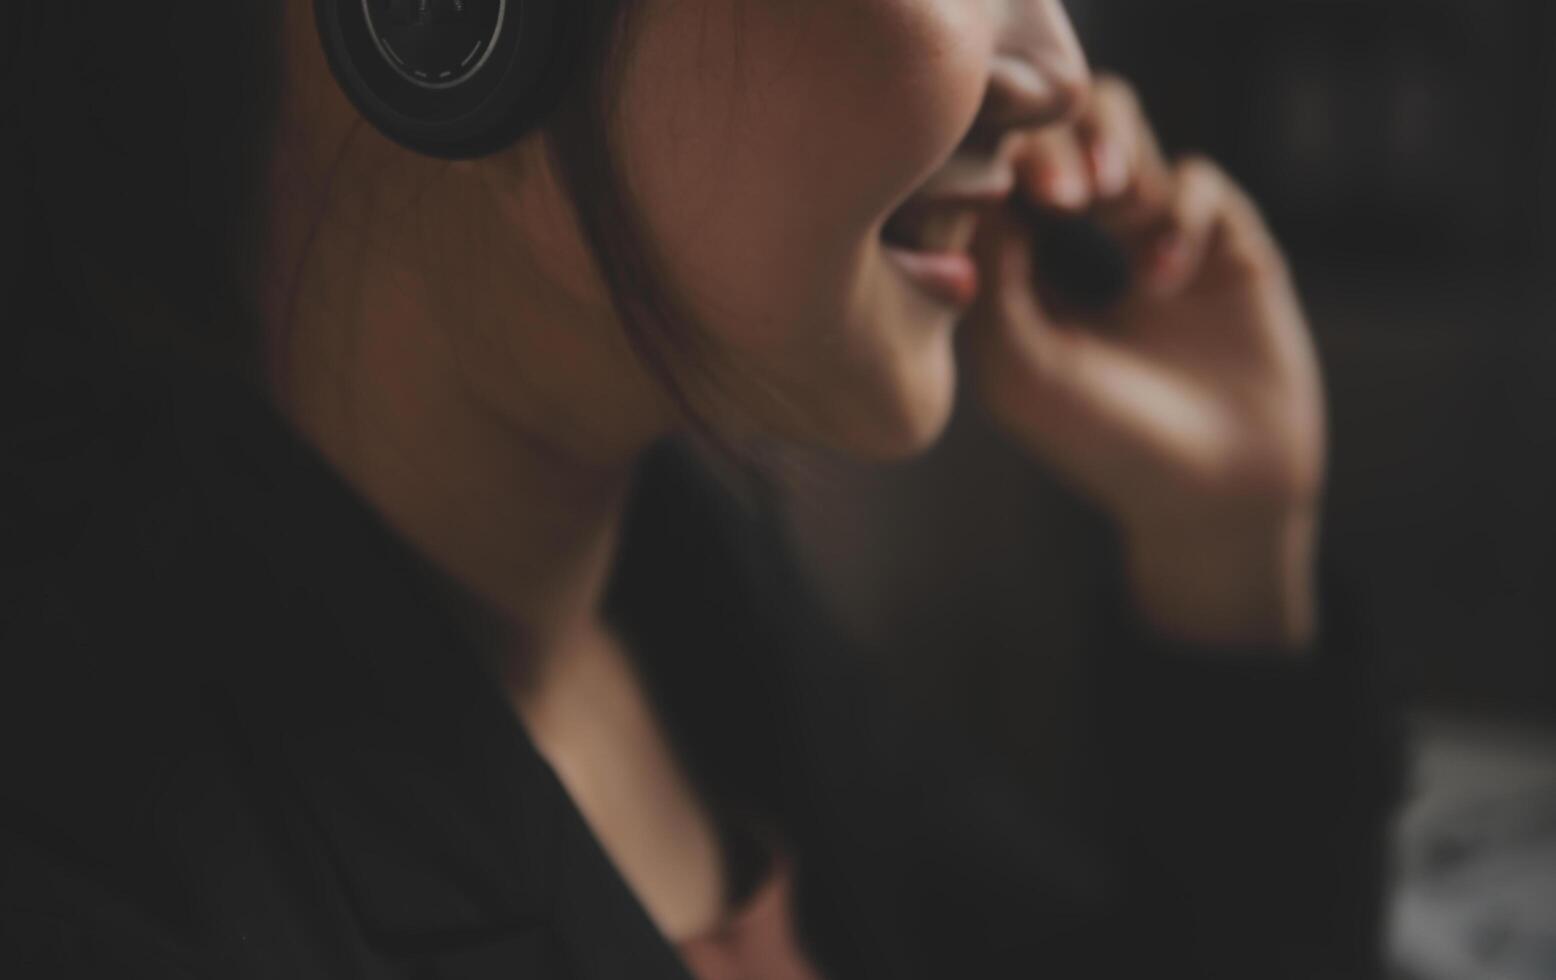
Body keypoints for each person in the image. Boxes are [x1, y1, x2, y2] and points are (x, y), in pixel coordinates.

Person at [0, 1, 1401, 977]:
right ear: (444, 20)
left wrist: (1226, 547)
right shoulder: (100, 891)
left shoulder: (681, 587)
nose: (1055, 65)